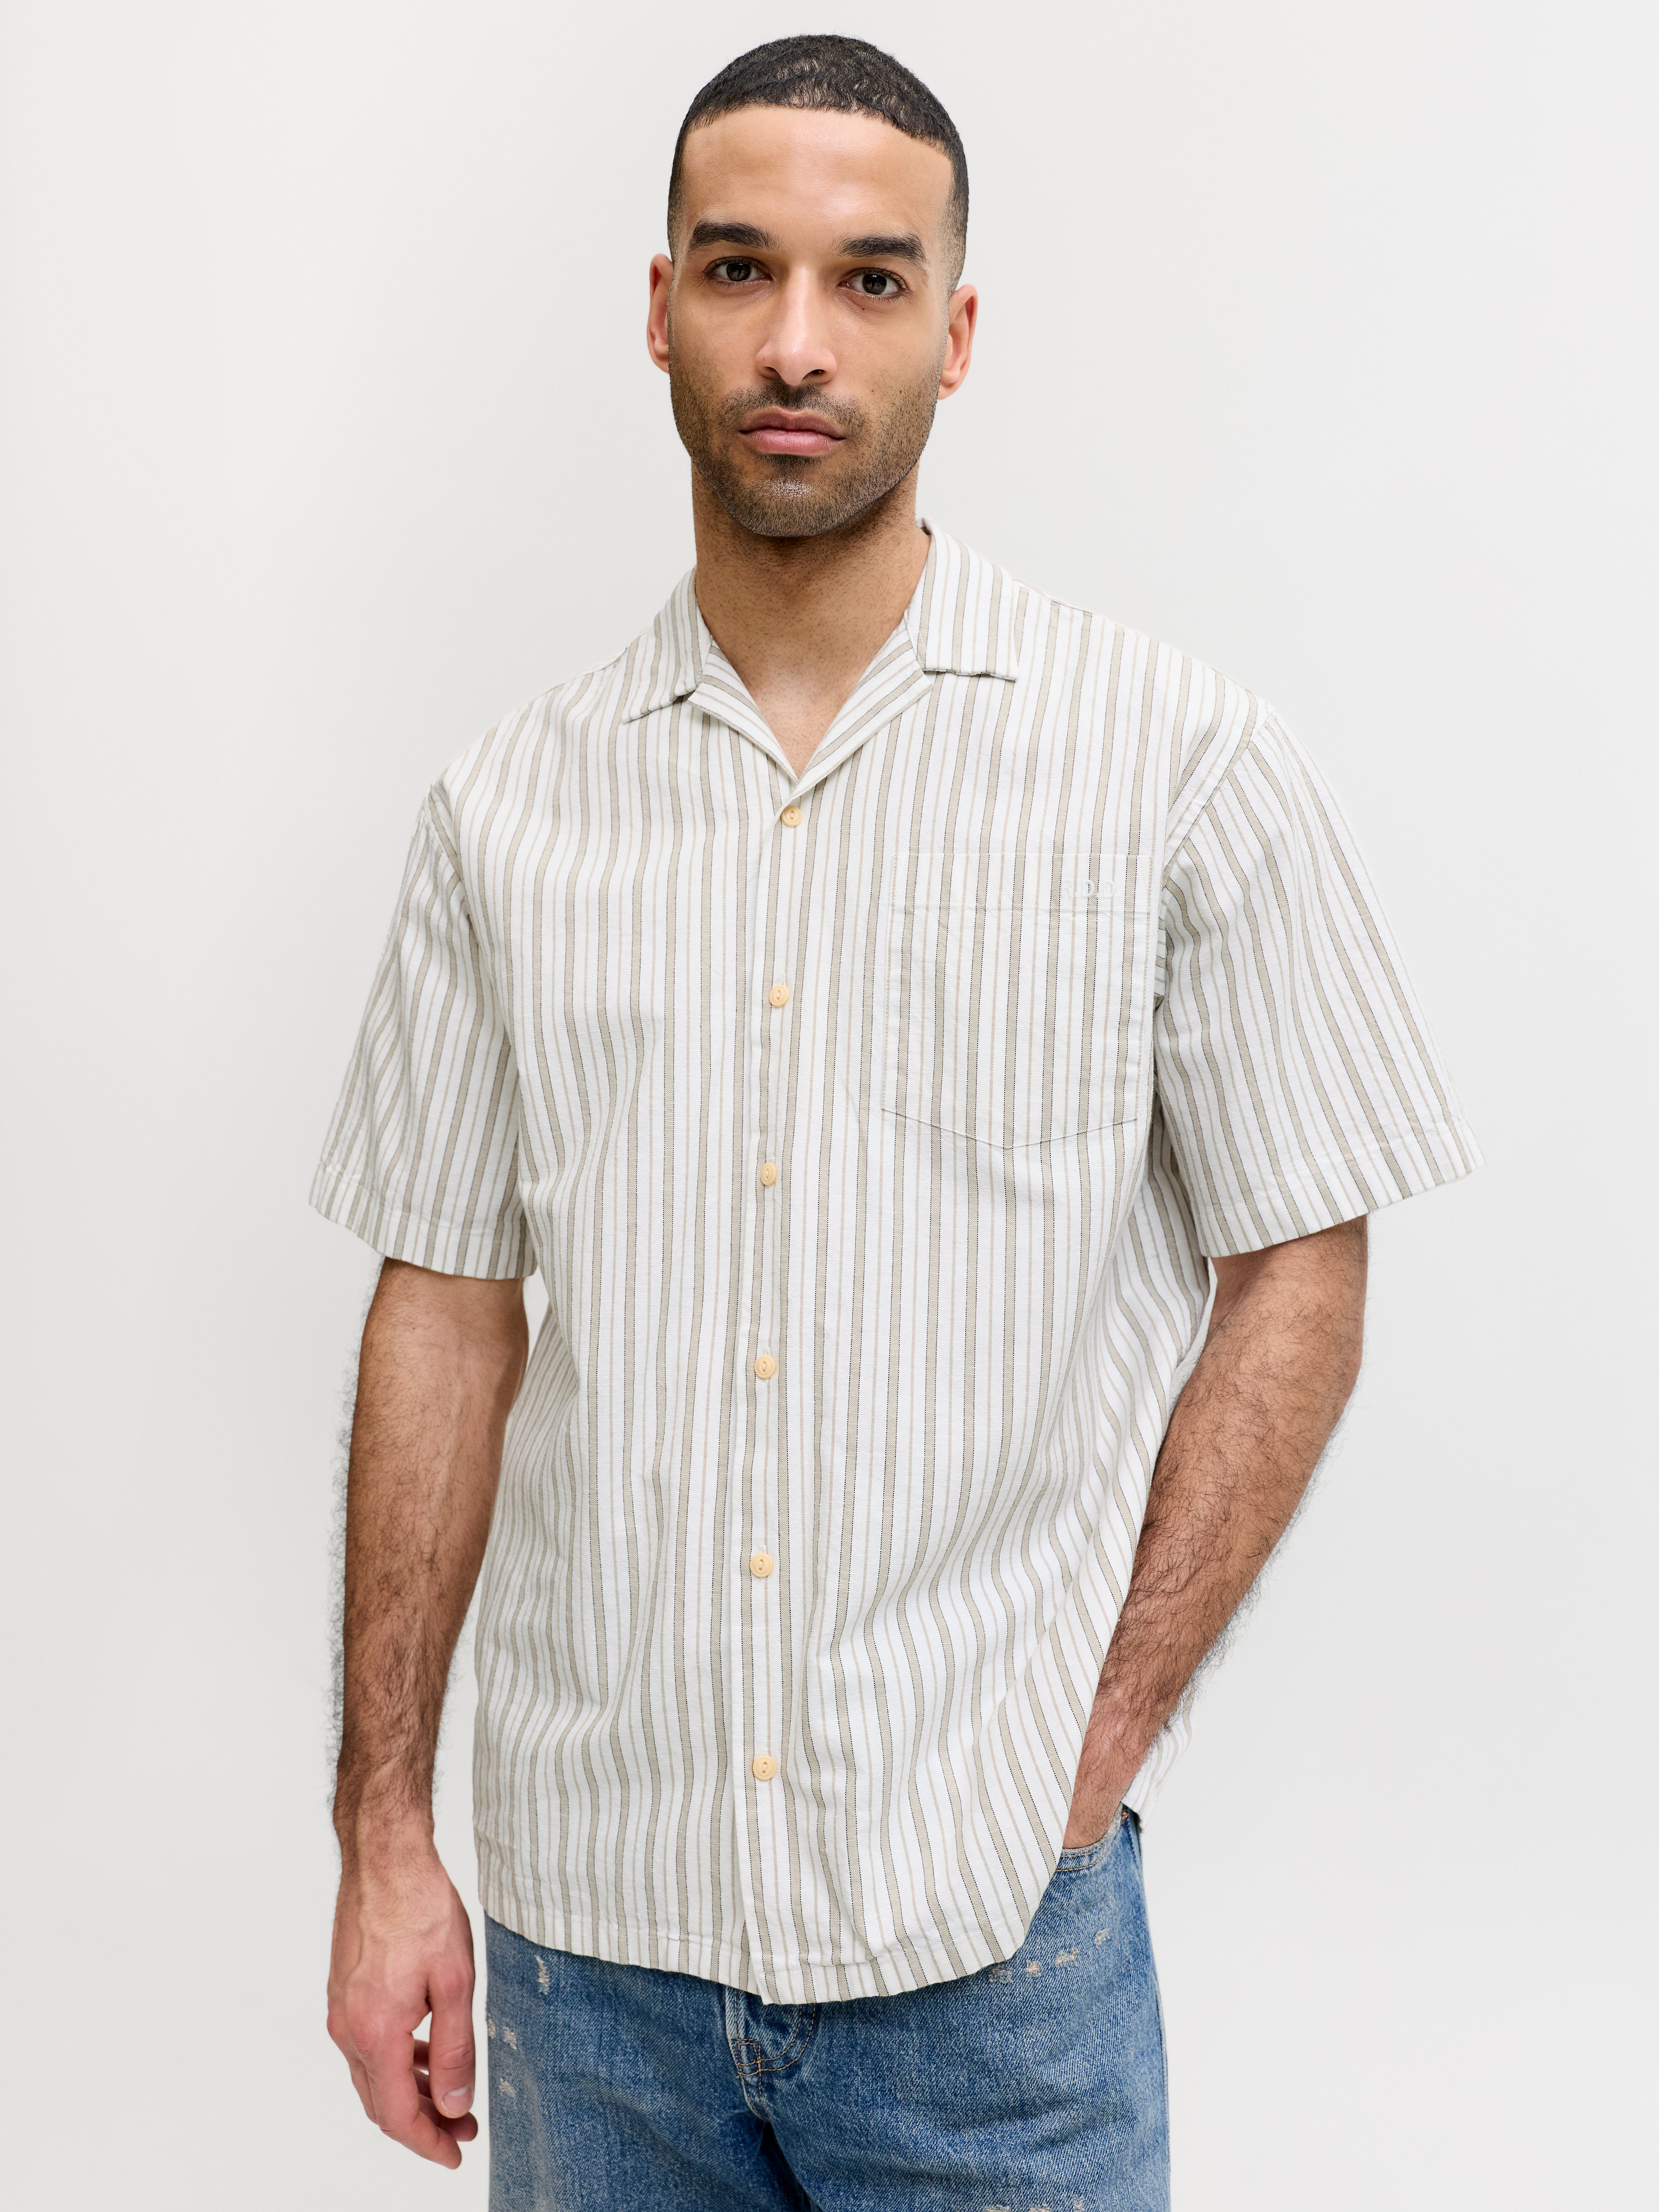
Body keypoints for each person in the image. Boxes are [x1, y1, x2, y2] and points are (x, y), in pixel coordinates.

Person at [313, 34, 1479, 2210]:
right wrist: (385, 1834)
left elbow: (1298, 1264)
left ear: (953, 330)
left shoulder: (1172, 765)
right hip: (591, 1963)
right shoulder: (507, 809)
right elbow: (444, 1311)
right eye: (738, 267)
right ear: (657, 306)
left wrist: (1095, 1739)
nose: (794, 342)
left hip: (989, 1957)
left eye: (867, 280)